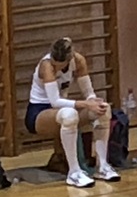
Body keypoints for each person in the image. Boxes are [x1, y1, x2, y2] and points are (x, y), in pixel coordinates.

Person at [24, 38, 120, 188]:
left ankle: (102, 166)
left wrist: (93, 101)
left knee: (103, 109)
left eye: (60, 65)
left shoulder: (78, 61)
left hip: (63, 109)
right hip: (40, 112)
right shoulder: (46, 65)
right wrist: (86, 104)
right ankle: (74, 172)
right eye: (55, 63)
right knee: (69, 114)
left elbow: (88, 93)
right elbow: (55, 101)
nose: (56, 68)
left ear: (69, 60)